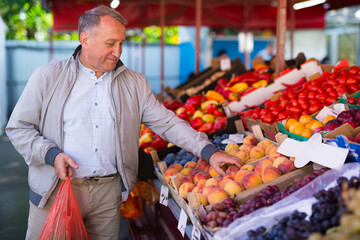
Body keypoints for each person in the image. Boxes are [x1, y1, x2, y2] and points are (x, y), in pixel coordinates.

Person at [5, 5, 242, 240]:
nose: (118, 52)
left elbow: (167, 123)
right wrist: (51, 155)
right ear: (85, 40)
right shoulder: (48, 76)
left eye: (121, 43)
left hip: (107, 196)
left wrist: (208, 150)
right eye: (110, 43)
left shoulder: (134, 83)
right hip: (56, 190)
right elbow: (18, 127)